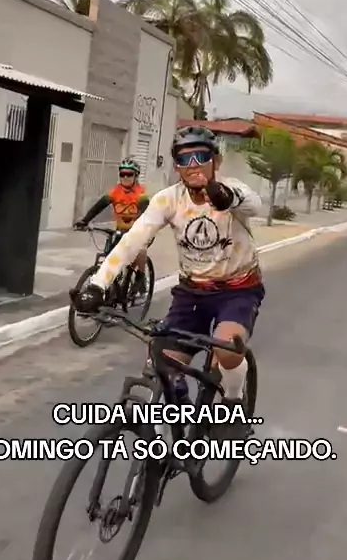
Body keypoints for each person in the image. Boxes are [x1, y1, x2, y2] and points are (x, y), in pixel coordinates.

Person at [71, 126, 264, 439]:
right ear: (176, 167)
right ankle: (177, 431)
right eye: (185, 159)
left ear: (216, 161)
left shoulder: (231, 190)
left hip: (237, 289)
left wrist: (226, 198)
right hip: (192, 292)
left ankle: (232, 402)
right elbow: (131, 242)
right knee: (163, 362)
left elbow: (254, 203)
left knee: (228, 349)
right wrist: (97, 285)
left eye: (201, 157)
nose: (193, 165)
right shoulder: (168, 200)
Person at [73, 157, 150, 295]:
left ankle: (141, 277)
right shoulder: (115, 192)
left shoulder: (141, 195)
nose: (125, 177)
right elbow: (99, 206)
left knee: (140, 247)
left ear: (136, 176)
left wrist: (137, 230)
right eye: (122, 174)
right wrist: (85, 220)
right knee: (111, 256)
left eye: (129, 174)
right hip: (121, 230)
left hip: (139, 229)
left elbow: (146, 215)